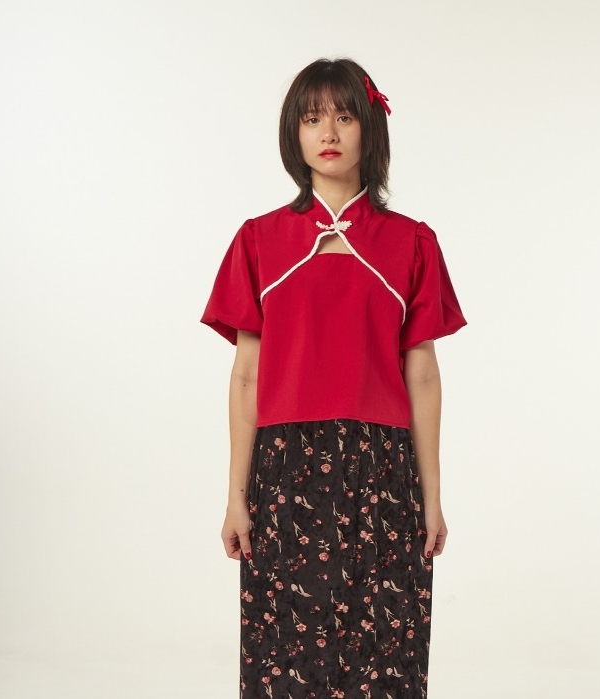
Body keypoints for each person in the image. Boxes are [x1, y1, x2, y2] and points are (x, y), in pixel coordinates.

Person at [200, 57, 467, 699]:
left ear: (370, 129)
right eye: (313, 118)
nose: (329, 132)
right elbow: (245, 378)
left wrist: (432, 496)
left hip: (384, 469)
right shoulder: (259, 241)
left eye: (345, 117)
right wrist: (236, 493)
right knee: (285, 657)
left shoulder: (411, 243)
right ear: (293, 132)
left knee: (386, 654)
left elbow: (423, 376)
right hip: (285, 469)